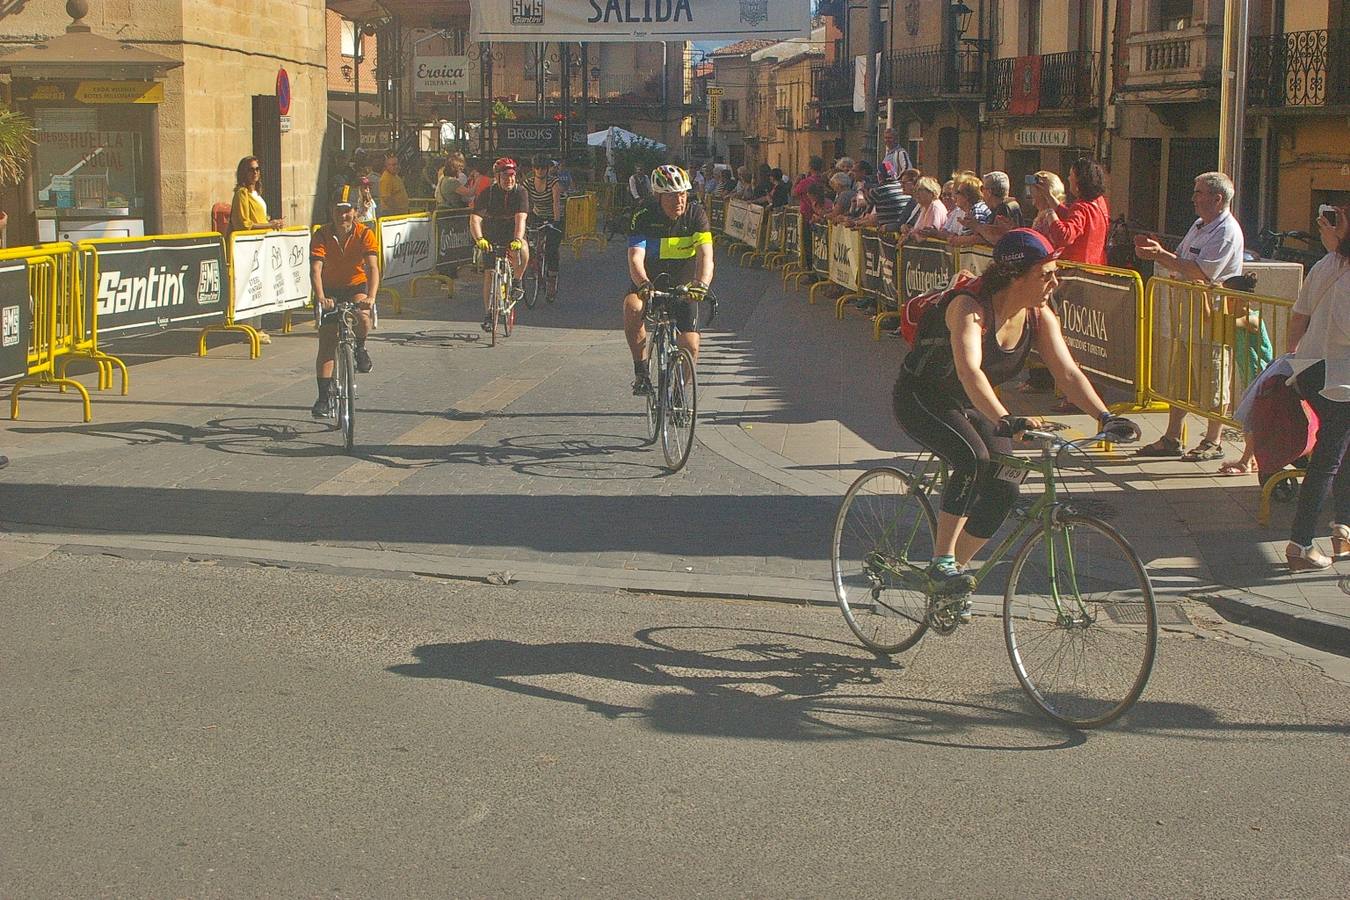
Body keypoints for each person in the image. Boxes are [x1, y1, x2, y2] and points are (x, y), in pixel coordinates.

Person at [892, 228, 1139, 605]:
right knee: (973, 458)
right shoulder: (969, 308)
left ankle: (951, 579)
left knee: (1006, 484)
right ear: (1014, 275)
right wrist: (1008, 419)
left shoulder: (1039, 316)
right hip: (922, 395)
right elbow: (969, 371)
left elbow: (1068, 373)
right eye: (1046, 274)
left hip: (975, 402)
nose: (1054, 282)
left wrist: (1105, 418)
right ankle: (941, 560)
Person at [1134, 171, 1245, 460]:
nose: (1193, 198)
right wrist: (1161, 254)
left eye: (1199, 193)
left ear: (1217, 198)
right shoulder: (1199, 225)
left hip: (1212, 315)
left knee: (1212, 377)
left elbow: (1201, 272)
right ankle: (1172, 436)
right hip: (1186, 314)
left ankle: (1213, 440)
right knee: (1180, 377)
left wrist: (1160, 255)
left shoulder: (1227, 231)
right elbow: (1183, 260)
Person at [1280, 204, 1350, 570]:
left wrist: (1292, 358)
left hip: (1310, 370)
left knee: (1339, 452)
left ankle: (1342, 529)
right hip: (1340, 379)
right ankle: (1300, 544)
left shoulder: (1328, 266)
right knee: (1329, 458)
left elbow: (1298, 317)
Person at [624, 165, 714, 395]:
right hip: (649, 282)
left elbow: (706, 256)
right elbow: (635, 258)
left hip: (684, 286)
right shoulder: (643, 214)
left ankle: (678, 393)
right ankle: (641, 371)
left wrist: (701, 285)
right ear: (658, 196)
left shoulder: (696, 215)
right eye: (672, 195)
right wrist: (643, 283)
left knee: (691, 345)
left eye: (683, 193)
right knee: (632, 307)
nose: (679, 200)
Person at [310, 185, 380, 418]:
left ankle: (360, 347)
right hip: (329, 289)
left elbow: (372, 267)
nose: (343, 216)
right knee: (328, 341)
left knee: (362, 316)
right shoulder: (321, 234)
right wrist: (321, 298)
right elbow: (316, 269)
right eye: (339, 210)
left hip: (355, 286)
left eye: (347, 210)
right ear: (331, 211)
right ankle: (322, 396)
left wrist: (371, 297)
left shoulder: (364, 233)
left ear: (355, 211)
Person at [469, 158, 530, 332]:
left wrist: (518, 240)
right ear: (497, 177)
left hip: (512, 231)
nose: (509, 179)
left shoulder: (520, 192)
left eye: (512, 175)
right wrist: (479, 238)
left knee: (524, 249)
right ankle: (488, 314)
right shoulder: (487, 193)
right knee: (489, 273)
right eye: (505, 176)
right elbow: (475, 219)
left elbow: (521, 219)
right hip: (492, 232)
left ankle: (517, 281)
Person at [230, 156, 284, 344]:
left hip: (261, 246)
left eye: (257, 169)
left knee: (259, 286)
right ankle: (250, 328)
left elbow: (259, 218)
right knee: (249, 285)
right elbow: (243, 223)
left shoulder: (257, 194)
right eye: (251, 169)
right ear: (243, 172)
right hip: (248, 247)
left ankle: (257, 326)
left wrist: (271, 222)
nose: (255, 173)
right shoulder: (241, 194)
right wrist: (268, 224)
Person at [1032, 156, 1109, 265]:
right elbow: (1073, 217)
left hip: (1075, 272)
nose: (1068, 178)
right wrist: (1049, 196)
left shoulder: (1081, 207)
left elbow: (1064, 236)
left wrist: (1049, 212)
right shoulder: (1099, 202)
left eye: (1071, 175)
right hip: (1095, 266)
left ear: (1079, 180)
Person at [524, 153, 564, 302]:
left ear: (547, 169)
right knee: (529, 243)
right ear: (533, 169)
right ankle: (533, 266)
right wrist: (523, 219)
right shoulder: (528, 183)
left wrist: (556, 222)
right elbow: (525, 202)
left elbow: (556, 203)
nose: (540, 171)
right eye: (537, 168)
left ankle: (551, 280)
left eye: (543, 168)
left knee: (551, 249)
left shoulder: (554, 183)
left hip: (553, 216)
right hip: (537, 214)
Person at [969, 171, 1023, 245]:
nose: (981, 193)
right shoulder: (1010, 205)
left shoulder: (1004, 208)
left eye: (982, 188)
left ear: (989, 192)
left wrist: (976, 226)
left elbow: (997, 238)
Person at [942, 171, 993, 246]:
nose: (955, 195)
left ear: (966, 196)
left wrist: (957, 240)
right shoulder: (971, 210)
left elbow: (979, 237)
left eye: (958, 192)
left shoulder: (977, 210)